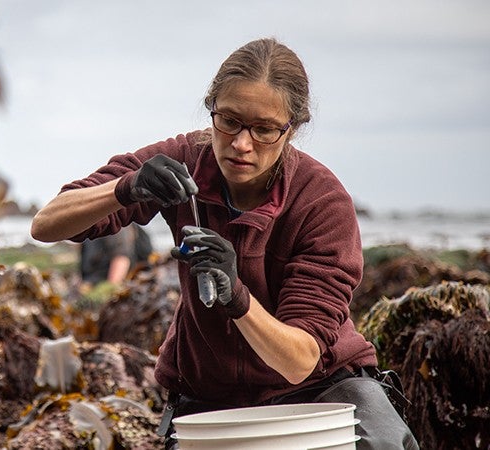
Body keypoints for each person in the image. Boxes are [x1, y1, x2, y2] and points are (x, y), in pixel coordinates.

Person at [30, 38, 418, 449]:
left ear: (293, 128)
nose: (241, 143)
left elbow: (300, 360)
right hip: (208, 393)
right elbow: (47, 224)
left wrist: (237, 296)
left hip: (323, 390)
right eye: (228, 120)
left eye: (264, 129)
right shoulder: (185, 157)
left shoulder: (322, 202)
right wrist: (128, 187)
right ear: (211, 107)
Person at [79, 224, 153, 285]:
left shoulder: (110, 223)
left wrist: (109, 292)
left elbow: (121, 259)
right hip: (96, 284)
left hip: (125, 284)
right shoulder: (89, 232)